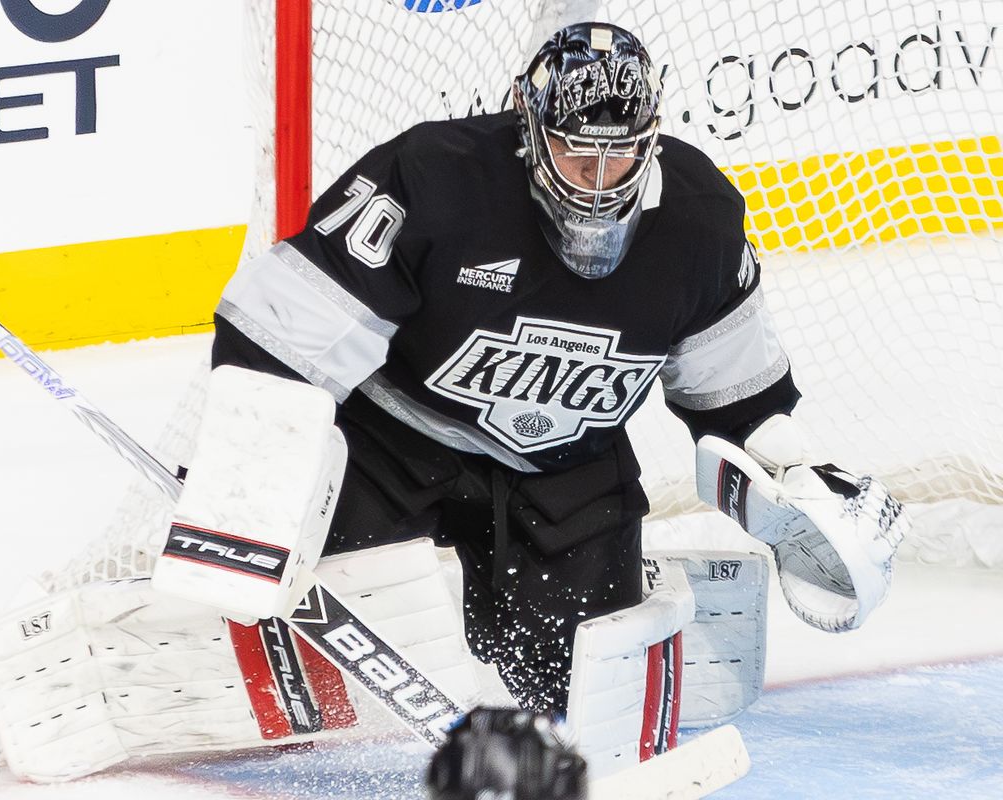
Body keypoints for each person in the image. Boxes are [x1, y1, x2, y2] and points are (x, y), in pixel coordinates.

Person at [209, 21, 801, 715]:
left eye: (623, 156)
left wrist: (796, 480)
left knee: (582, 699)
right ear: (530, 123)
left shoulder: (699, 223)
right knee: (322, 681)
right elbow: (282, 327)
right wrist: (249, 470)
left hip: (567, 466)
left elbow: (736, 397)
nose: (600, 182)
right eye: (578, 154)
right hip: (397, 442)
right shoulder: (434, 177)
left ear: (653, 138)